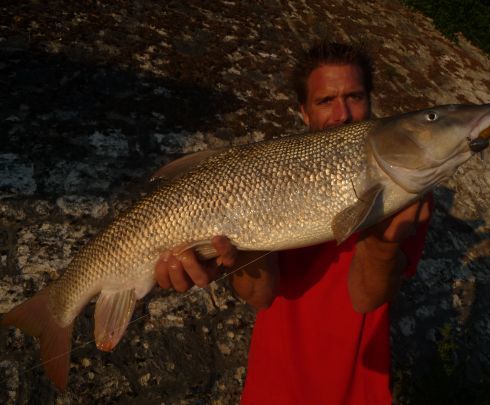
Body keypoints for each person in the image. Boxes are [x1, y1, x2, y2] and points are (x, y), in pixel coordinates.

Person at [154, 42, 432, 404]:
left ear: (371, 102)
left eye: (355, 96)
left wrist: (383, 243)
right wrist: (233, 253)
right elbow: (261, 294)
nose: (342, 113)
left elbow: (366, 299)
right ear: (303, 113)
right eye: (325, 101)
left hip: (357, 389)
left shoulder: (407, 186)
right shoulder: (270, 178)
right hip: (274, 387)